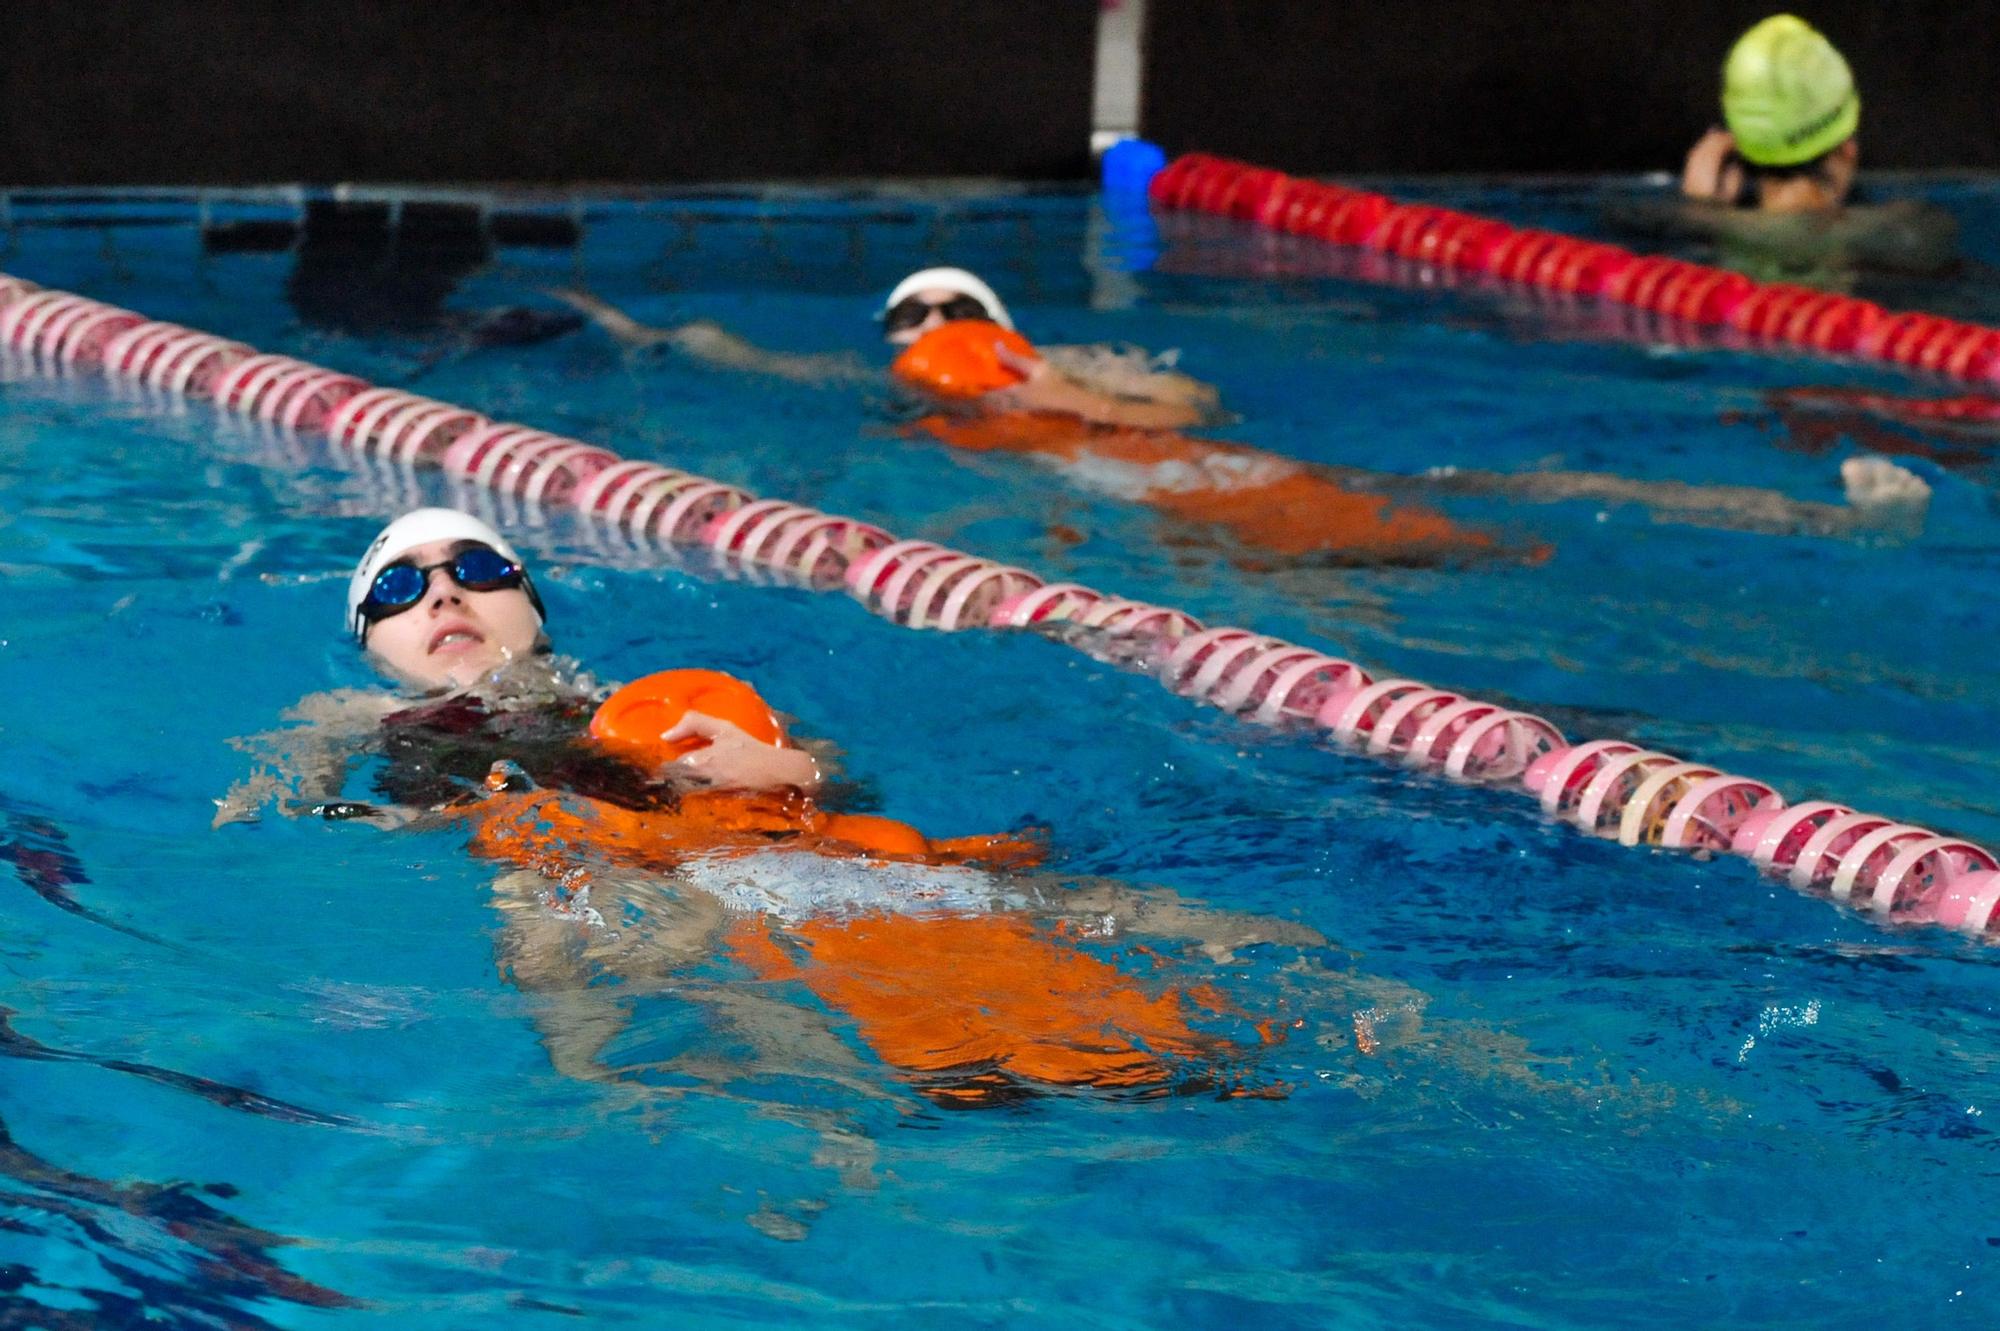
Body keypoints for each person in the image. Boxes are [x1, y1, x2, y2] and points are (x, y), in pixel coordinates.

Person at [218, 509, 1327, 1110]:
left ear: (533, 608)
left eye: (473, 565)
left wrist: (781, 763)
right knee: (542, 905)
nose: (444, 591)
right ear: (372, 640)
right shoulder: (355, 710)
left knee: (929, 886)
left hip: (711, 849)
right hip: (559, 850)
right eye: (402, 587)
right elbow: (280, 781)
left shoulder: (633, 699)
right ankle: (594, 1077)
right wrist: (284, 801)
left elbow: (816, 778)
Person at [1665, 14, 1955, 279]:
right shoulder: (1908, 230)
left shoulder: (1685, 230)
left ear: (1736, 147)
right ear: (1846, 147)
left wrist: (1700, 212)